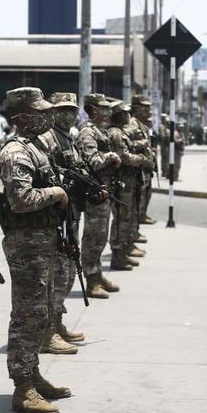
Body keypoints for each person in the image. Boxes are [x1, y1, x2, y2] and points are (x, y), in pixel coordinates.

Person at [0, 86, 73, 413]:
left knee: (39, 312)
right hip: (26, 245)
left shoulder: (35, 146)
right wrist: (55, 193)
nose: (46, 117)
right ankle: (21, 386)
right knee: (26, 314)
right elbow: (20, 199)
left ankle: (33, 373)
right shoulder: (16, 152)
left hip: (42, 241)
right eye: (39, 112)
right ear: (23, 116)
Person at [38, 91, 92, 354]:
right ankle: (48, 331)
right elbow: (46, 174)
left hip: (71, 214)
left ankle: (57, 323)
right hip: (56, 216)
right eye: (63, 109)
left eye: (72, 110)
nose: (68, 114)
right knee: (58, 276)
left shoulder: (67, 138)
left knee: (69, 271)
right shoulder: (48, 139)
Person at [75, 94, 122, 299]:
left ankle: (98, 275)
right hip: (93, 192)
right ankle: (91, 280)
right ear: (93, 110)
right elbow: (92, 161)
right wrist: (111, 156)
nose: (108, 111)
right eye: (103, 107)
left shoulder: (99, 131)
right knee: (93, 237)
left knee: (101, 235)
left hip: (104, 190)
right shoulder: (87, 132)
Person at [106, 100, 150, 270]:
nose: (127, 115)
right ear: (117, 115)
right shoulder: (116, 133)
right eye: (124, 113)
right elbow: (123, 156)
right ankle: (117, 255)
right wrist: (142, 160)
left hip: (129, 181)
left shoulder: (121, 132)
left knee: (127, 217)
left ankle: (123, 251)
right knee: (121, 219)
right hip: (121, 182)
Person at [129, 95, 158, 226]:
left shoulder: (143, 125)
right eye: (145, 107)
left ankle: (142, 215)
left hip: (145, 166)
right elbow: (127, 144)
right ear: (137, 107)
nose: (148, 110)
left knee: (146, 194)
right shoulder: (132, 123)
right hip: (137, 167)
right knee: (138, 197)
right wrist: (142, 143)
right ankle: (138, 219)